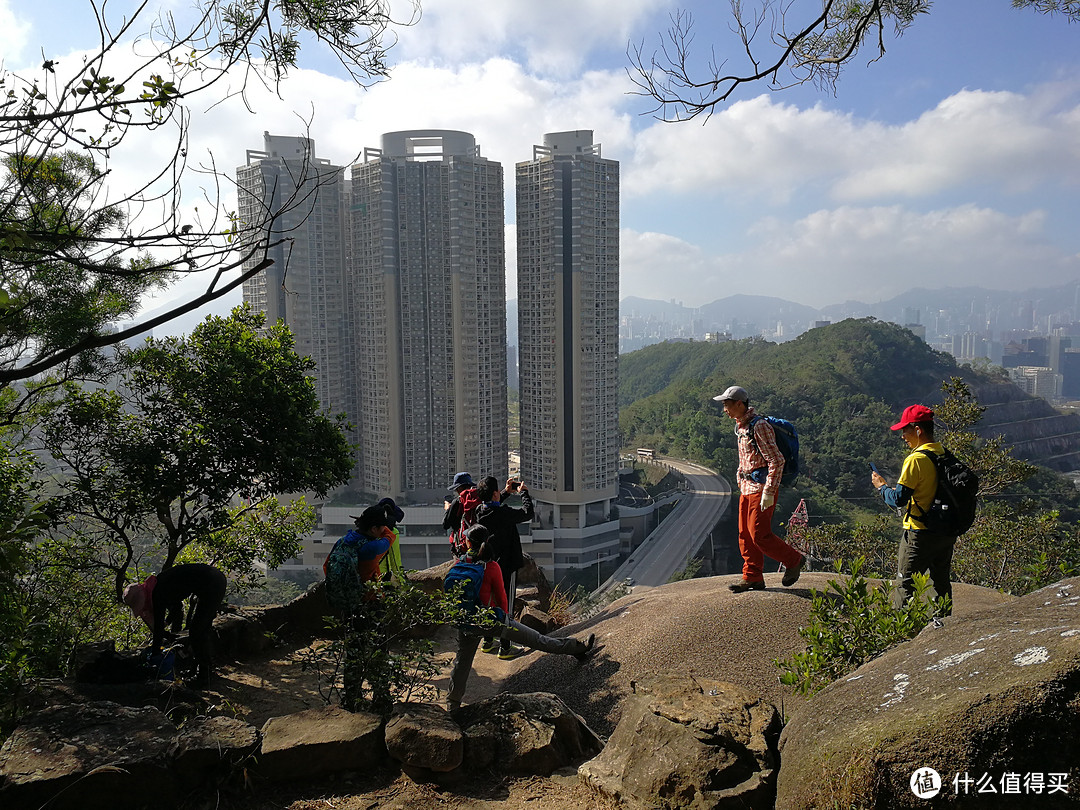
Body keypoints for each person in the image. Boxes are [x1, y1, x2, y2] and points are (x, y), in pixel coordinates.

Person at [445, 524, 596, 711]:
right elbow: (501, 598)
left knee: (462, 662)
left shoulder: (459, 564)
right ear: (487, 542)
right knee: (538, 639)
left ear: (467, 542)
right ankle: (577, 647)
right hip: (492, 621)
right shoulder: (491, 566)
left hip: (466, 621)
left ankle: (452, 704)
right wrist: (505, 623)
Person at [713, 385, 805, 592]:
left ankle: (794, 560)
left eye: (727, 405)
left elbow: (776, 460)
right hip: (746, 487)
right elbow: (745, 458)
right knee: (744, 534)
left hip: (761, 488)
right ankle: (752, 576)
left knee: (759, 534)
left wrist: (769, 491)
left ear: (739, 404)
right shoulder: (741, 427)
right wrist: (739, 477)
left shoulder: (759, 426)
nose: (724, 410)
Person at [871, 404, 956, 611]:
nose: (903, 436)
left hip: (919, 532)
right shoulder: (944, 453)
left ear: (918, 430)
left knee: (905, 584)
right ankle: (943, 625)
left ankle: (902, 634)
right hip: (945, 530)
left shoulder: (916, 459)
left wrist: (882, 487)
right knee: (941, 582)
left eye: (905, 430)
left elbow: (898, 499)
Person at [324, 505, 396, 712]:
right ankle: (381, 698)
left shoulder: (344, 541)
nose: (384, 530)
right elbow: (390, 538)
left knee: (354, 652)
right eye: (380, 527)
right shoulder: (372, 548)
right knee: (379, 651)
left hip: (350, 604)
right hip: (371, 603)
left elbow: (327, 566)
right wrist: (388, 524)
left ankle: (352, 698)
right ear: (374, 529)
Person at [123, 562, 227, 689]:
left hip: (212, 583)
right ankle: (199, 671)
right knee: (201, 631)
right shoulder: (156, 585)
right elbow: (177, 608)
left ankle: (204, 677)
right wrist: (167, 624)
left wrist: (156, 655)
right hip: (213, 579)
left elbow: (158, 629)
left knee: (197, 632)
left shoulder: (157, 593)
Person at [474, 475, 535, 660]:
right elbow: (527, 513)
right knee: (505, 605)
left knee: (489, 602)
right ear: (494, 493)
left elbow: (491, 504)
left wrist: (505, 493)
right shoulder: (504, 514)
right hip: (506, 566)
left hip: (487, 566)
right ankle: (506, 647)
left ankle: (487, 641)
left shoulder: (479, 511)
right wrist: (523, 493)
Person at [443, 471, 477, 557]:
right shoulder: (479, 499)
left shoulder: (458, 502)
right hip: (478, 545)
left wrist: (448, 509)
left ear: (458, 488)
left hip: (463, 546)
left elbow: (445, 525)